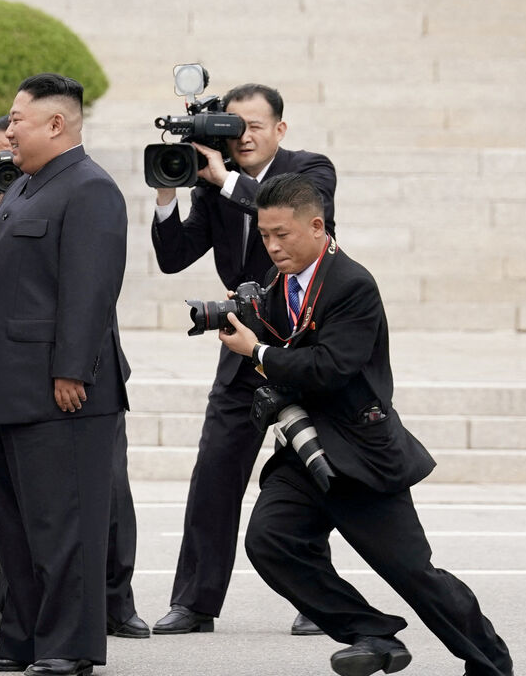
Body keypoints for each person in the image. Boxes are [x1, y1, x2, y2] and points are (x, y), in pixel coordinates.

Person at [218, 173, 513, 676]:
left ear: (316, 226)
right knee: (270, 542)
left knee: (414, 575)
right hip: (304, 447)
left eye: (281, 234)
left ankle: (492, 664)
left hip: (359, 451)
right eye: (264, 235)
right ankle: (370, 632)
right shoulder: (277, 283)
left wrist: (258, 350)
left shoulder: (353, 284)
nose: (271, 246)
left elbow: (331, 368)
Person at [149, 83, 336, 637]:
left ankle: (317, 601)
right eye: (235, 126)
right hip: (242, 339)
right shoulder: (214, 182)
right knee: (214, 471)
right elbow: (173, 257)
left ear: (280, 129)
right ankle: (195, 603)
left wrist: (225, 179)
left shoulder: (310, 169)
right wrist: (168, 187)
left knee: (313, 473)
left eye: (254, 126)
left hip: (306, 339)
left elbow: (283, 206)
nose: (244, 136)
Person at [0, 73, 130, 676]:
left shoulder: (89, 188)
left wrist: (71, 370)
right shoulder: (28, 190)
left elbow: (90, 289)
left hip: (58, 392)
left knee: (65, 529)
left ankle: (69, 648)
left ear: (56, 124)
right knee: (18, 531)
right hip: (5, 390)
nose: (8, 131)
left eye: (17, 120)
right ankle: (23, 640)